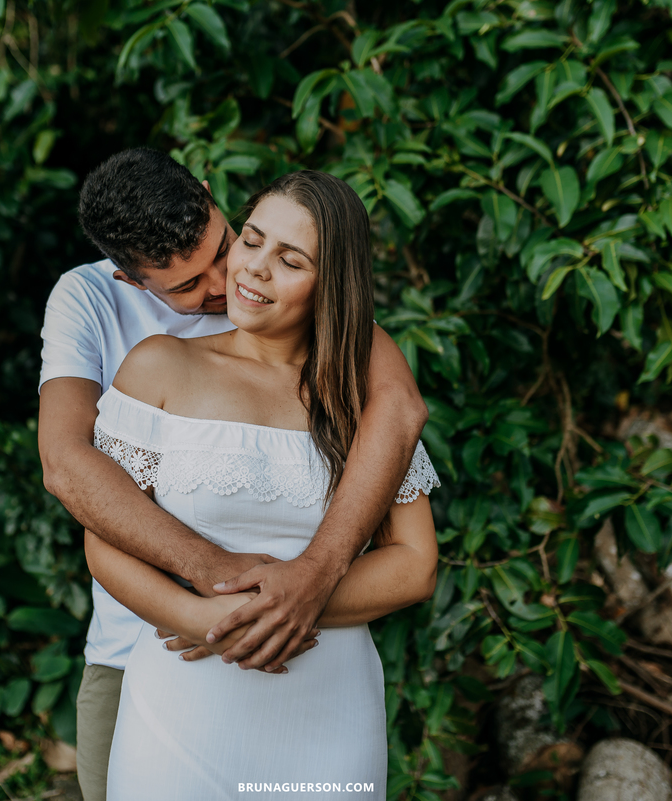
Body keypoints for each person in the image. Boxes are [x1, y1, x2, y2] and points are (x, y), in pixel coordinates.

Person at [36, 149, 428, 799]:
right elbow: (70, 466)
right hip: (149, 638)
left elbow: (401, 409)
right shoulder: (105, 315)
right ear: (132, 282)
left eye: (227, 244)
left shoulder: (318, 328)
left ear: (221, 203)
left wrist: (309, 579)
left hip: (322, 691)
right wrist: (210, 589)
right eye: (189, 286)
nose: (226, 282)